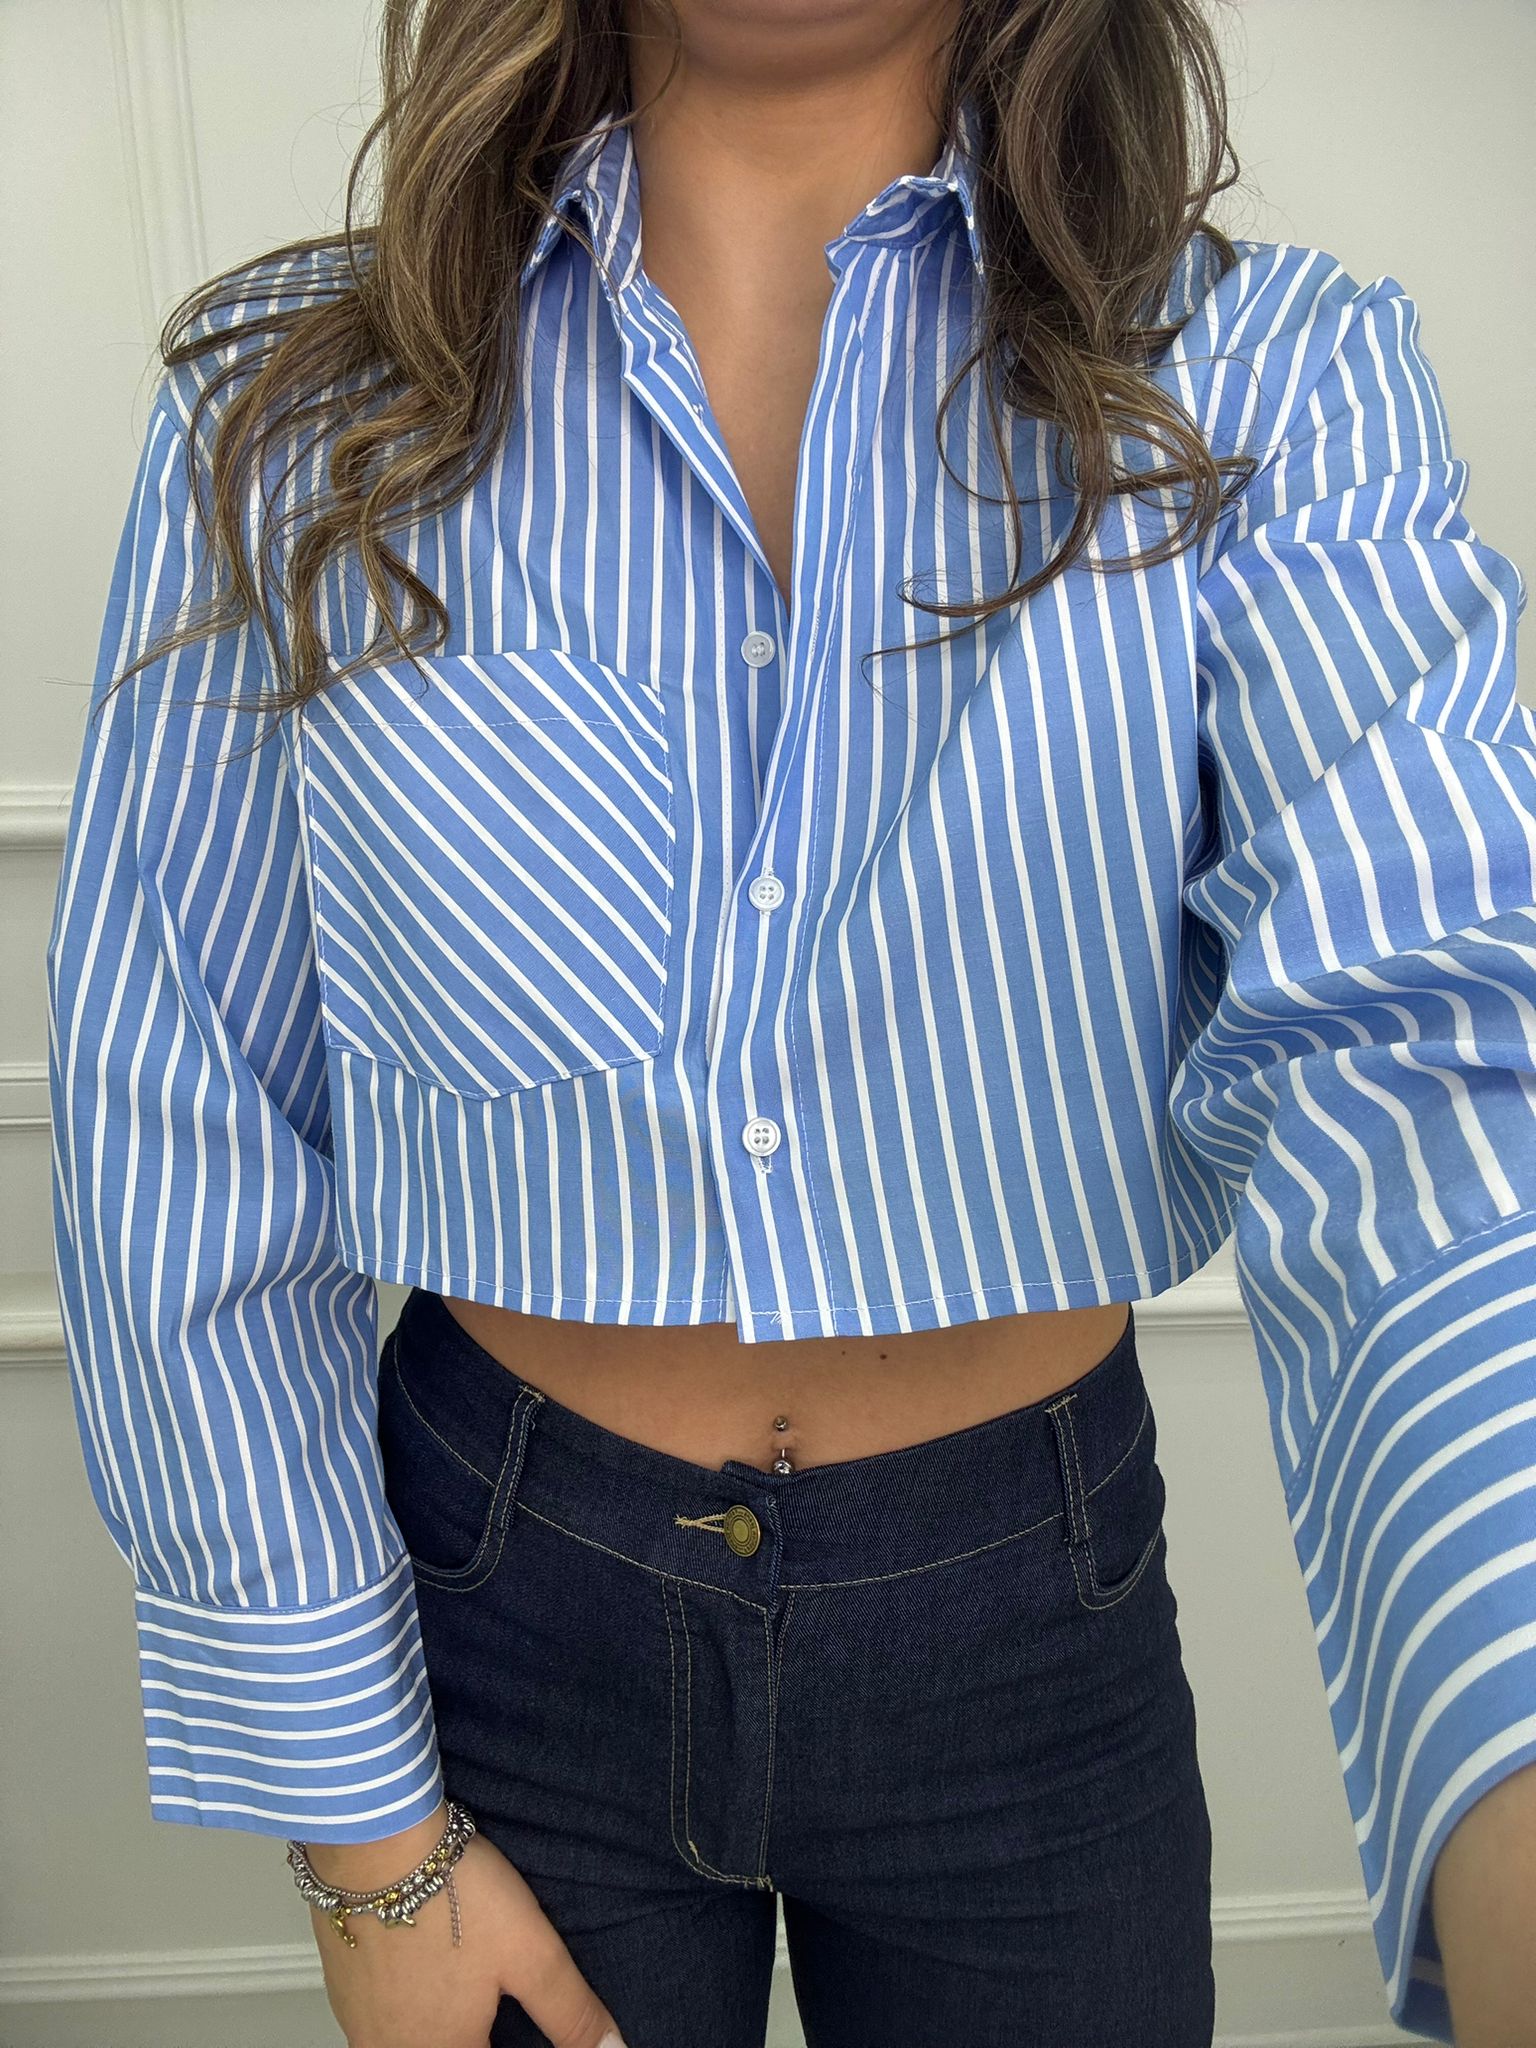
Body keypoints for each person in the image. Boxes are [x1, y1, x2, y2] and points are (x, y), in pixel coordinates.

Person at [44, 1, 1536, 2044]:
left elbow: (1429, 1032)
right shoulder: (292, 399)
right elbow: (182, 1106)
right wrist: (365, 1835)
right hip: (496, 1613)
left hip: (1030, 1619)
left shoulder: (1269, 377)